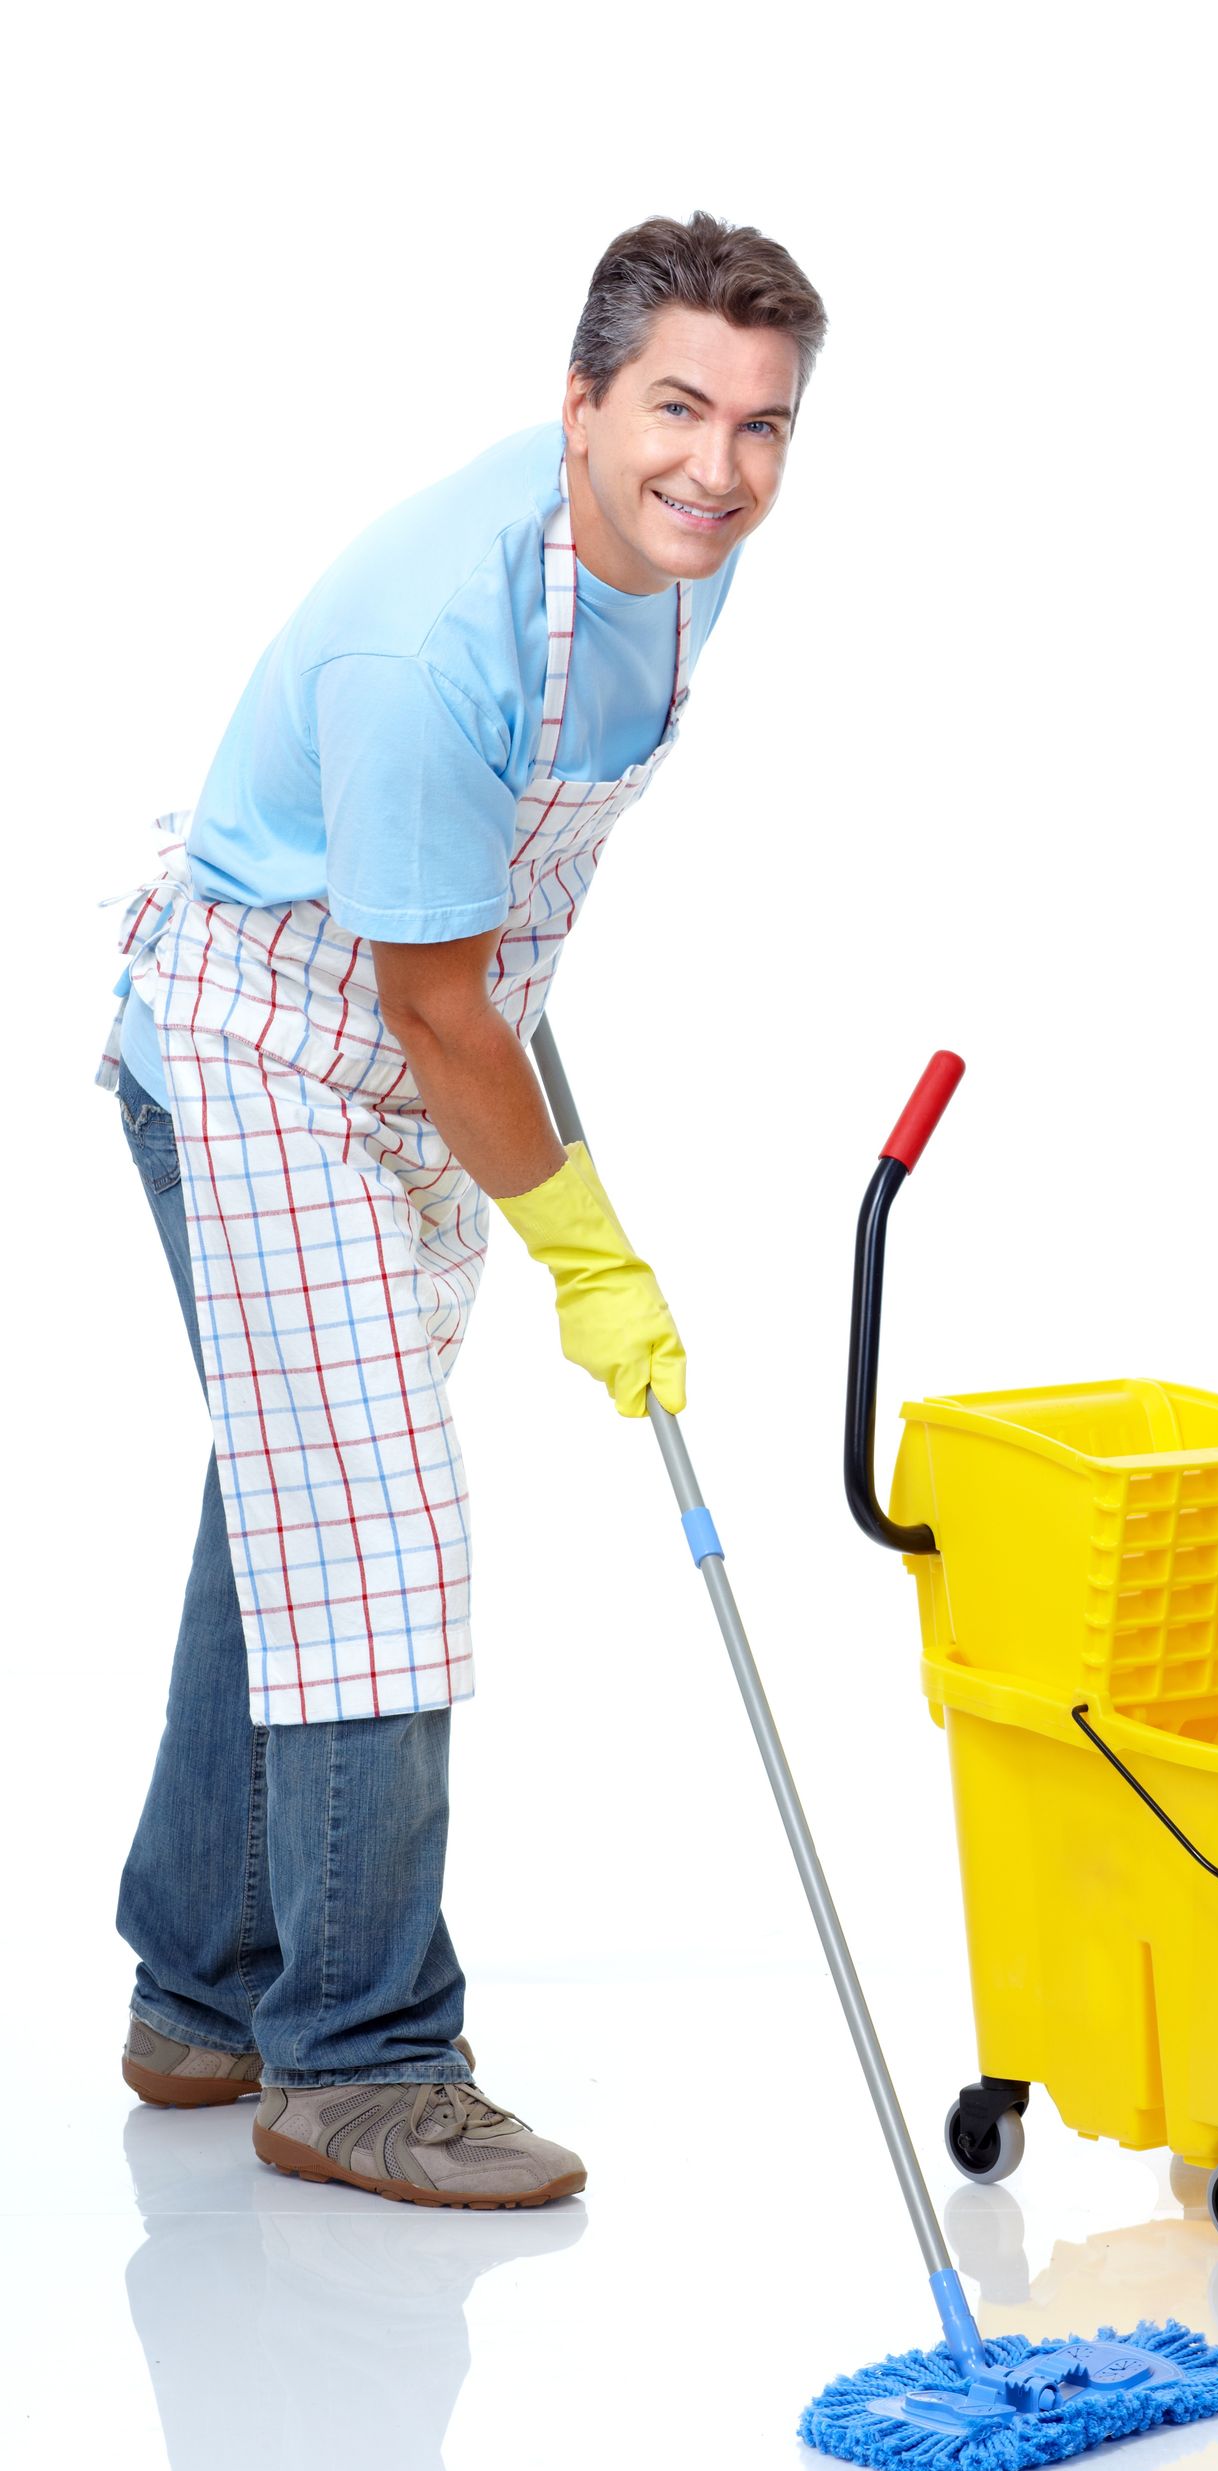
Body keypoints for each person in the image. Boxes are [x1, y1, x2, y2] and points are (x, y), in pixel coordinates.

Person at [97, 209, 827, 2209]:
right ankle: (359, 2061)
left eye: (761, 424)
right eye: (674, 409)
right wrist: (590, 1250)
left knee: (299, 1502)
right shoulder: (435, 640)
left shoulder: (676, 555)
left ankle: (202, 1990)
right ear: (578, 401)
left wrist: (510, 1006)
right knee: (375, 1532)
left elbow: (477, 935)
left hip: (418, 1030)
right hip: (265, 1053)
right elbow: (429, 1003)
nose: (717, 467)